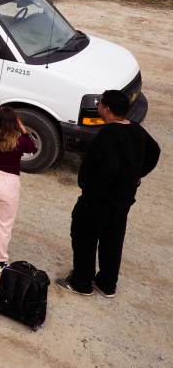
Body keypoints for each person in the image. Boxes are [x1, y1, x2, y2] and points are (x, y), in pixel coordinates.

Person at [57, 91, 160, 297]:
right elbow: (154, 151)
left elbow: (102, 169)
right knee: (112, 242)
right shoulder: (136, 129)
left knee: (84, 239)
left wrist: (87, 186)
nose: (99, 106)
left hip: (97, 201)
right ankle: (107, 284)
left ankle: (82, 283)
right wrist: (136, 175)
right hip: (123, 201)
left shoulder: (106, 136)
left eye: (101, 104)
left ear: (107, 109)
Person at [0, 106, 36, 265]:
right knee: (4, 225)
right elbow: (32, 148)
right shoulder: (21, 141)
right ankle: (0, 260)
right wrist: (23, 129)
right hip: (9, 182)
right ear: (14, 123)